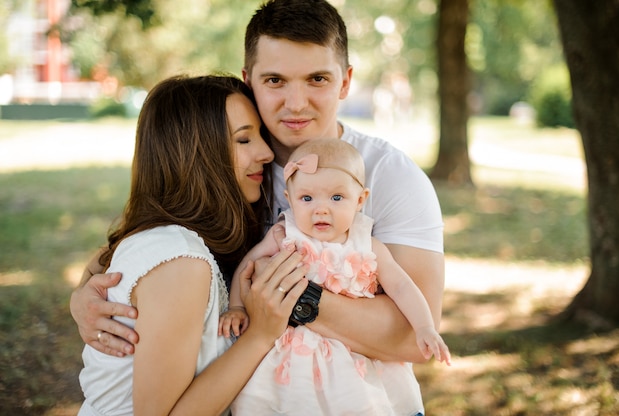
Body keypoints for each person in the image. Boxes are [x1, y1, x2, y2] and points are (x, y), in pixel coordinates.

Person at [72, 0, 444, 384]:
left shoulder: (391, 176)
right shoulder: (230, 161)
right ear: (249, 80)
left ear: (346, 81)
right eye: (275, 80)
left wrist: (294, 297)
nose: (296, 103)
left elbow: (416, 339)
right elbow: (142, 241)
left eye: (317, 79)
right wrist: (82, 297)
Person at [77, 74, 309, 415]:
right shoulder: (179, 262)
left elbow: (98, 267)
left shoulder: (169, 243)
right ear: (195, 154)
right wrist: (259, 335)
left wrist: (79, 296)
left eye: (260, 136)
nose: (265, 152)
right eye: (244, 140)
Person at [220, 139, 450, 415]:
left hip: (357, 355)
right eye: (307, 198)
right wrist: (236, 307)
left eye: (336, 198)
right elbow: (248, 267)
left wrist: (424, 326)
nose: (321, 209)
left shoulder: (368, 243)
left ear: (360, 200)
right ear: (290, 198)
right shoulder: (284, 235)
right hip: (296, 356)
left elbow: (401, 286)